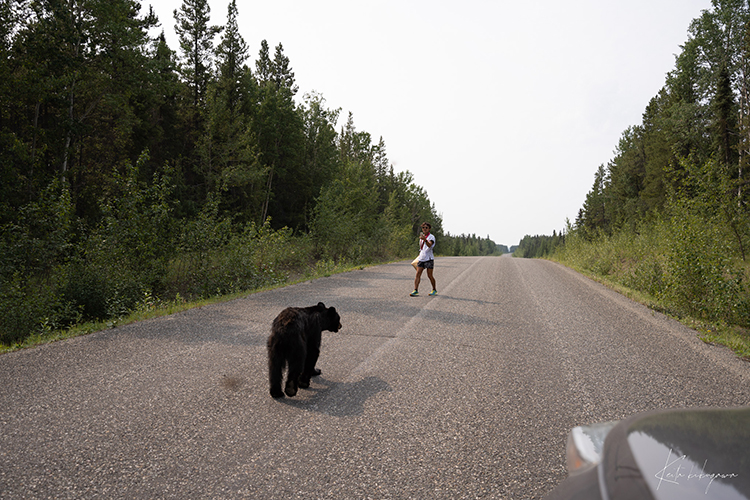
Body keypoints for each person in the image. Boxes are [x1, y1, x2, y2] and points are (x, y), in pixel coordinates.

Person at [411, 222, 437, 297]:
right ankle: (415, 290)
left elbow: (429, 245)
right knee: (418, 274)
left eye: (426, 228)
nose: (424, 229)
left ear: (429, 229)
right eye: (423, 228)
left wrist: (425, 240)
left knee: (429, 275)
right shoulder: (422, 237)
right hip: (421, 258)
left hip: (429, 258)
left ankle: (434, 289)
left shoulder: (431, 237)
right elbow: (422, 248)